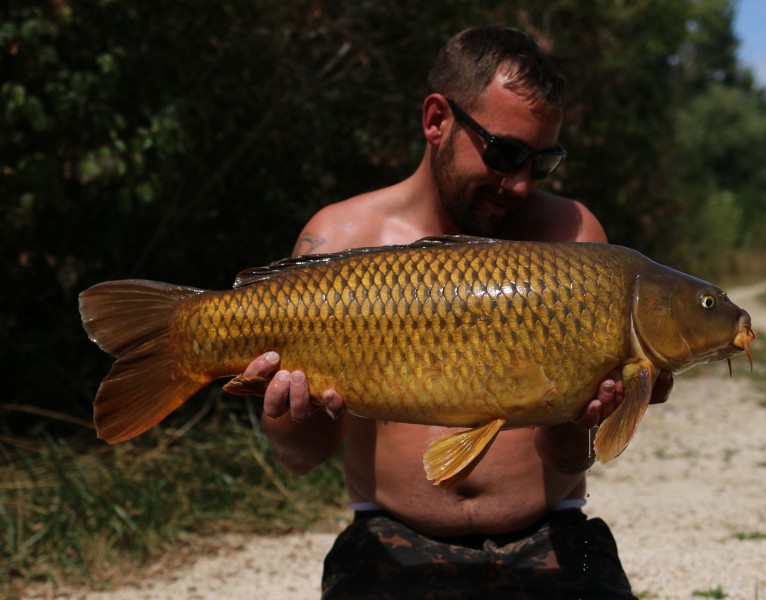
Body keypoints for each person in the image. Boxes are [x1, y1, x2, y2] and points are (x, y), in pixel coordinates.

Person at [241, 27, 672, 598]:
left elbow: (571, 458)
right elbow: (301, 457)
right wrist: (295, 415)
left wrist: (581, 422)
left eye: (542, 163)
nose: (518, 184)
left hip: (550, 534)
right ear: (437, 120)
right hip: (389, 539)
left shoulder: (573, 240)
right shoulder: (342, 238)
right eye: (505, 153)